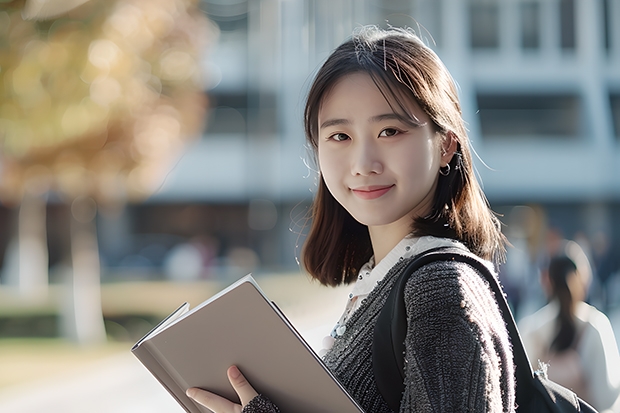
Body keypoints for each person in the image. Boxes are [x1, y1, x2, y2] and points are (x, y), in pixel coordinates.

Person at [186, 26, 516, 412]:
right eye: (340, 136)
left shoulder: (438, 288)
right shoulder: (382, 278)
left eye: (389, 131)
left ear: (446, 144)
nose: (363, 165)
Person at [519, 242, 620, 412]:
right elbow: (607, 397)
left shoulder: (531, 327)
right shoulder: (595, 325)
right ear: (583, 278)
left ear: (548, 281)